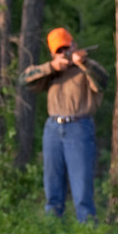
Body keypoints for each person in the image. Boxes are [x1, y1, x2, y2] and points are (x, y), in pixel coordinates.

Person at [20, 27, 109, 223]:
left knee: (82, 191)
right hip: (53, 129)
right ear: (53, 53)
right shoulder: (51, 71)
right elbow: (24, 80)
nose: (63, 54)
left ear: (74, 45)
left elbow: (103, 82)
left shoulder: (86, 68)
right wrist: (52, 67)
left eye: (66, 48)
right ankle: (53, 230)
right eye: (59, 51)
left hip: (78, 128)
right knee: (52, 188)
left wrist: (83, 63)